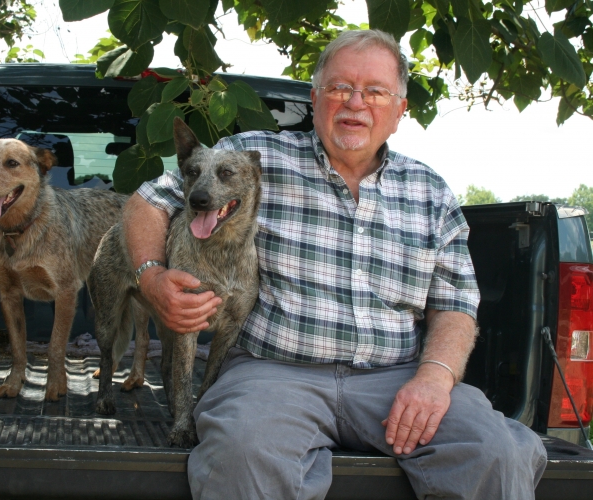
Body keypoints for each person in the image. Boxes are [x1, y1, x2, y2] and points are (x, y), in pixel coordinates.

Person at [123, 29, 547, 499]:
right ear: (316, 98)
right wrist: (151, 277)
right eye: (340, 87)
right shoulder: (254, 159)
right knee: (241, 450)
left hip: (397, 377)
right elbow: (146, 202)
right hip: (273, 373)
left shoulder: (432, 193)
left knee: (494, 451)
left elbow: (455, 305)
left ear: (400, 111)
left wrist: (434, 378)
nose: (355, 103)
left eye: (376, 91)